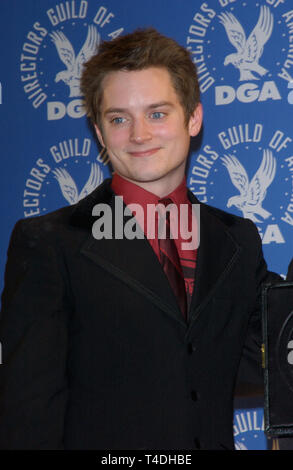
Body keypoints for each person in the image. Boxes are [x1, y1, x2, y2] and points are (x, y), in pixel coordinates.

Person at [0, 28, 290, 450]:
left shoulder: (237, 242)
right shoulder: (50, 243)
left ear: (193, 118)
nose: (138, 135)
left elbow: (271, 351)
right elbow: (28, 412)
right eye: (119, 118)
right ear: (99, 133)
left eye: (157, 113)